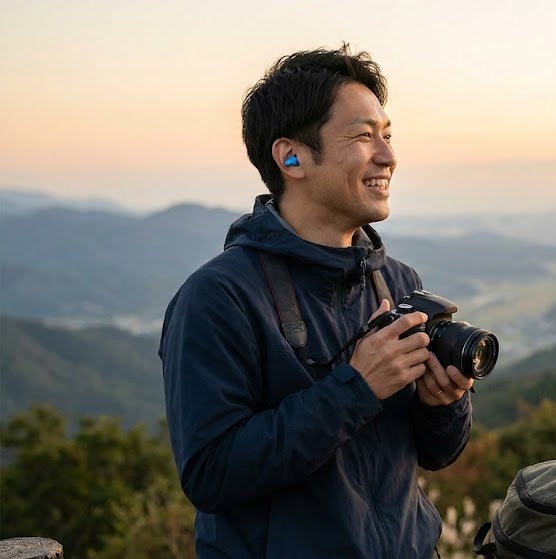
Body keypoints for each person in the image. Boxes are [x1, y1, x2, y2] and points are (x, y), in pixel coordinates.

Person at [159, 44, 474, 558]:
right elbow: (210, 475)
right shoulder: (218, 297)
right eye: (363, 136)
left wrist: (444, 405)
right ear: (291, 156)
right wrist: (356, 388)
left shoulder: (395, 281)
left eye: (388, 136)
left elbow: (436, 455)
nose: (389, 156)